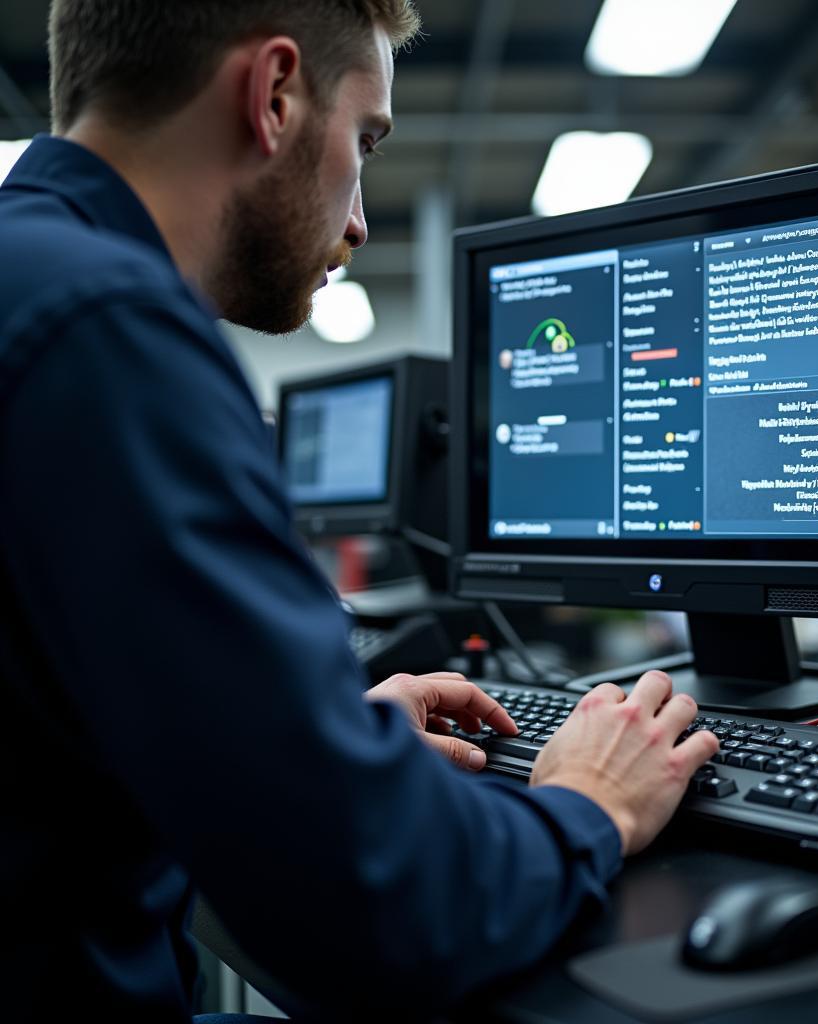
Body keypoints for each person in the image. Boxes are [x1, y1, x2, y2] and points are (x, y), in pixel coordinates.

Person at [0, 1, 719, 1020]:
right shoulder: (112, 336)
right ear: (276, 96)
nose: (360, 216)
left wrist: (316, 745)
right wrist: (586, 805)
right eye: (366, 139)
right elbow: (384, 908)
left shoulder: (31, 277)